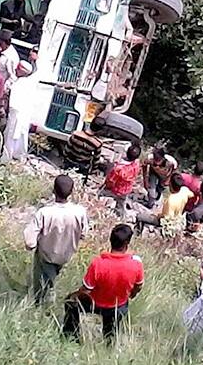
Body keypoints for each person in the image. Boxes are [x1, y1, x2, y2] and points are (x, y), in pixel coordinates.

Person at [63, 224, 144, 343]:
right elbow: (139, 286)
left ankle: (71, 338)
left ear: (110, 240)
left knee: (70, 303)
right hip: (118, 305)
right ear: (127, 243)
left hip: (95, 304)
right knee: (112, 327)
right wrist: (131, 295)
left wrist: (74, 295)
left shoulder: (98, 263)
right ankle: (109, 343)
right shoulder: (136, 264)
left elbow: (86, 290)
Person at [24, 174, 88, 304]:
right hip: (66, 255)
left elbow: (30, 241)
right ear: (71, 192)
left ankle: (41, 305)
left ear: (54, 190)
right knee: (53, 275)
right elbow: (84, 233)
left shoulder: (44, 212)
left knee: (43, 283)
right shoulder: (80, 212)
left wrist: (31, 245)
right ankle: (47, 298)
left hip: (47, 255)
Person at [2, 60, 37, 161]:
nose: (16, 71)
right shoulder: (29, 83)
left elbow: (14, 103)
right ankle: (18, 155)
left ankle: (6, 158)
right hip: (24, 114)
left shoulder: (20, 84)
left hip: (16, 114)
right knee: (21, 135)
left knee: (11, 135)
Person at [99, 145, 142, 220]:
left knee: (99, 193)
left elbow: (110, 181)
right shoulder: (137, 164)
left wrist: (105, 186)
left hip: (115, 190)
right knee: (121, 204)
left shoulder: (119, 169)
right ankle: (121, 217)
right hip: (126, 190)